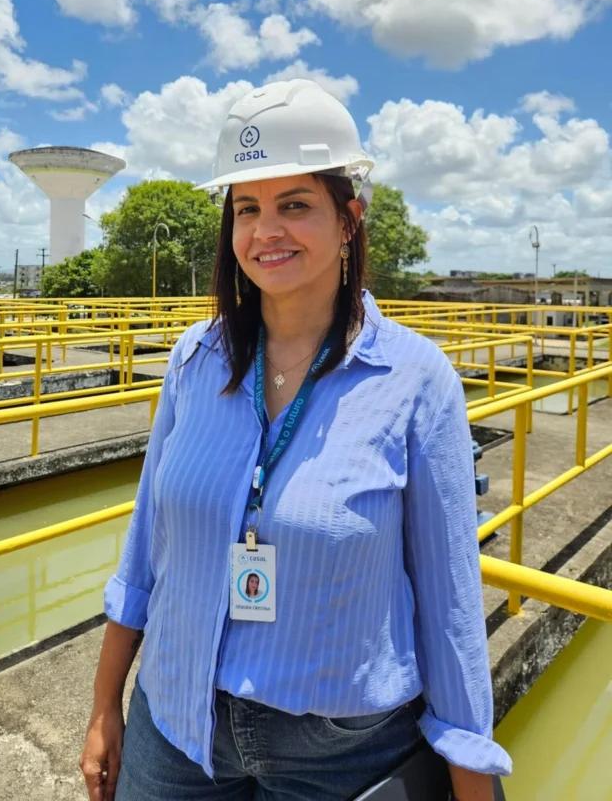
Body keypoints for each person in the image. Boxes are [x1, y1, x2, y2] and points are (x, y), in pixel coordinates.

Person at [80, 79, 512, 801]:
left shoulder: (414, 379)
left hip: (341, 749)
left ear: (349, 219)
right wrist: (104, 708)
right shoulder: (195, 360)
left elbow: (450, 606)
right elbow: (146, 549)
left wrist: (471, 780)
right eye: (246, 208)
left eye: (295, 205)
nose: (264, 231)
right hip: (177, 719)